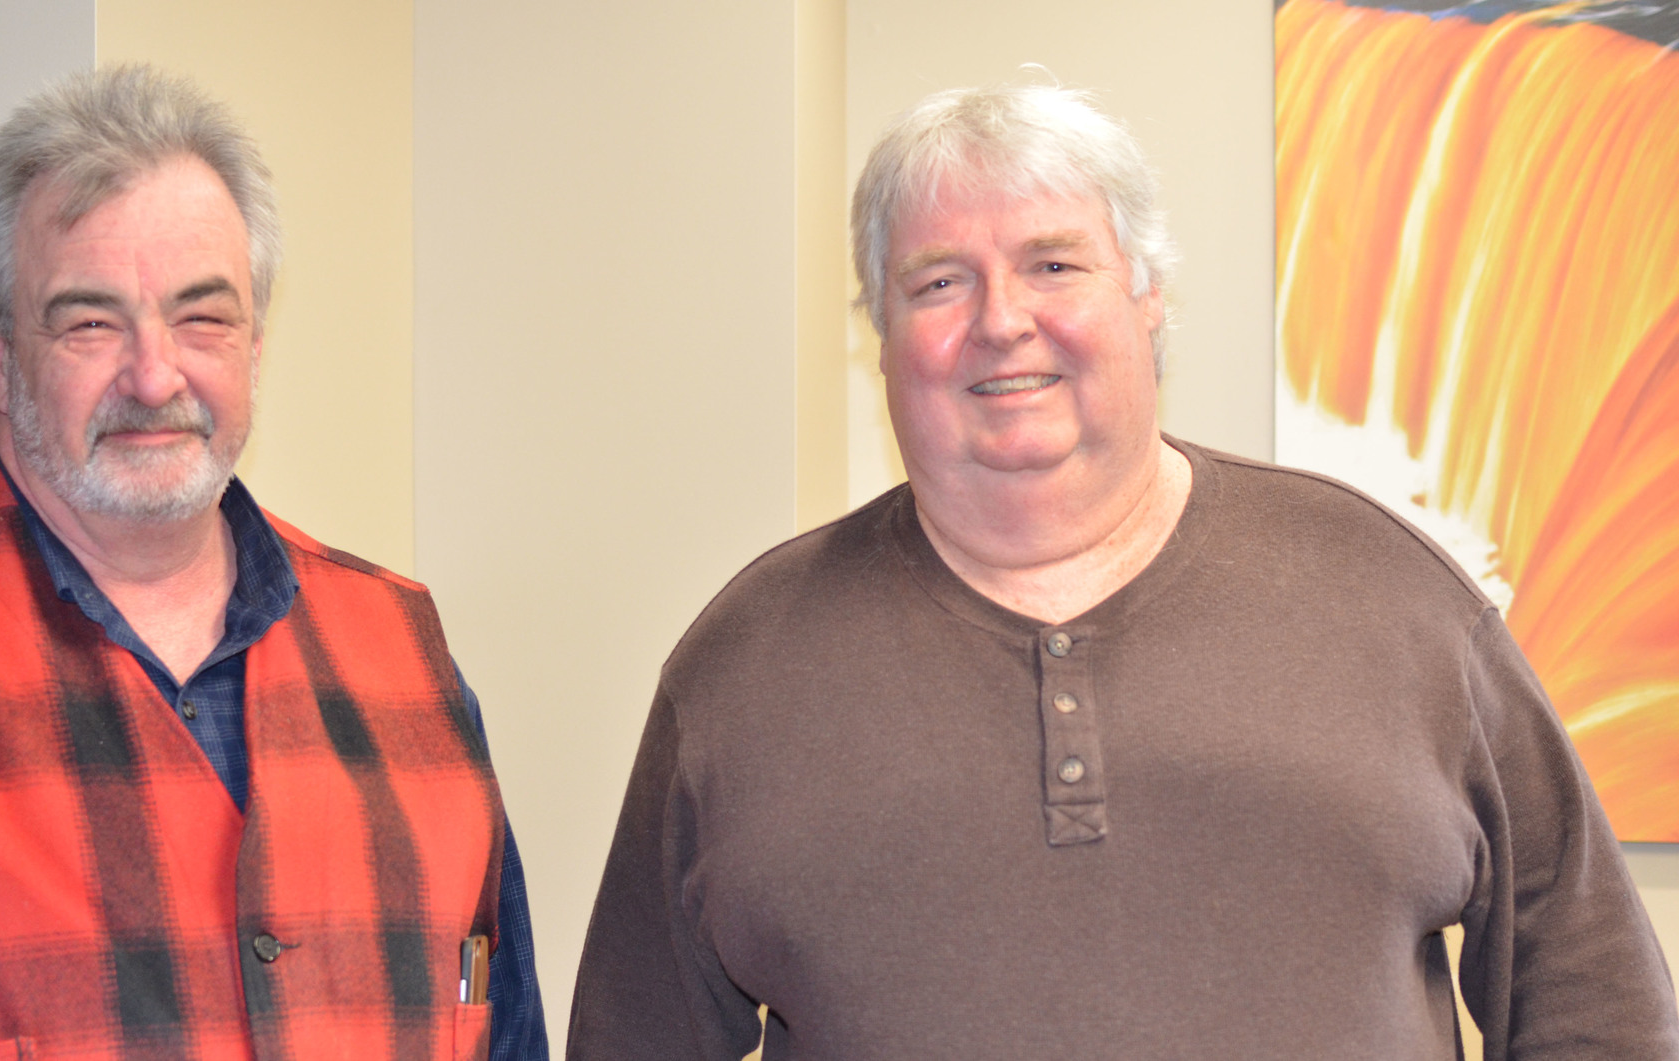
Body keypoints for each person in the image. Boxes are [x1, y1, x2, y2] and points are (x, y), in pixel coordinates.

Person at [565, 83, 1679, 1059]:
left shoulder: (1388, 594)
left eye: (1053, 263)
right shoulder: (743, 662)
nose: (1002, 321)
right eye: (938, 282)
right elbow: (633, 1034)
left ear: (1147, 300)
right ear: (883, 336)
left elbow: (1595, 995)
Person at [0, 66, 544, 1060]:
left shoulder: (403, 647)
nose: (153, 373)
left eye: (201, 315)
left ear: (255, 345)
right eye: (90, 320)